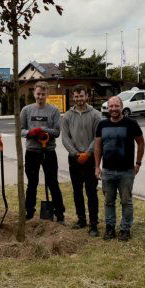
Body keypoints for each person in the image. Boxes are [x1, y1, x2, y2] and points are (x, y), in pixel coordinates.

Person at [93, 96, 145, 242]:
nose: (114, 109)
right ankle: (110, 227)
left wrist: (138, 163)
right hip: (108, 171)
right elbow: (98, 146)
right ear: (107, 108)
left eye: (116, 106)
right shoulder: (102, 125)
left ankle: (125, 229)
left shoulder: (131, 123)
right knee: (109, 201)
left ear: (121, 107)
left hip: (126, 172)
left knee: (126, 201)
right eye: (111, 106)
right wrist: (97, 166)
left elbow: (141, 143)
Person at [20, 82, 65, 222]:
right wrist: (30, 132)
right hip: (32, 152)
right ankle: (29, 211)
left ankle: (59, 213)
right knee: (32, 183)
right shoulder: (26, 110)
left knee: (52, 183)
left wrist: (42, 130)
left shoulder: (54, 111)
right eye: (38, 94)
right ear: (34, 93)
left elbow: (57, 132)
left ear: (47, 95)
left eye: (43, 94)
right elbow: (21, 130)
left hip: (49, 151)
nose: (40, 96)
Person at [61, 85, 102, 236]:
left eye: (81, 96)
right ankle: (81, 219)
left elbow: (98, 137)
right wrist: (75, 153)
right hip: (74, 159)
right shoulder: (67, 116)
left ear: (87, 96)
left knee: (91, 191)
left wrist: (88, 153)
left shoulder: (96, 115)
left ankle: (93, 224)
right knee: (77, 191)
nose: (79, 99)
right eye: (76, 96)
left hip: (90, 159)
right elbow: (65, 138)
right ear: (73, 97)